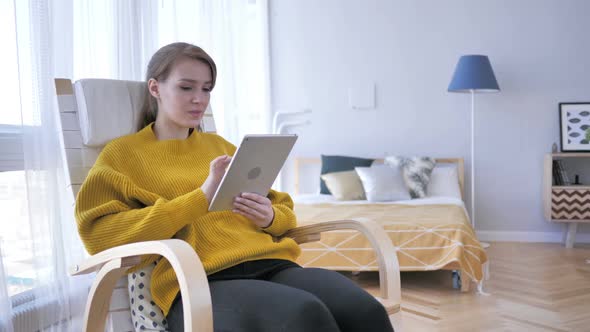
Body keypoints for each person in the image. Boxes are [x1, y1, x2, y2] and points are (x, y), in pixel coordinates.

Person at [75, 42, 394, 332]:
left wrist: (269, 217)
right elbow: (99, 235)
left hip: (272, 264)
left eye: (206, 89)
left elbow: (282, 208)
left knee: (365, 310)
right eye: (186, 87)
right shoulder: (124, 155)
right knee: (304, 316)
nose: (199, 99)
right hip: (199, 282)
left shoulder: (220, 146)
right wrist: (200, 198)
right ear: (156, 88)